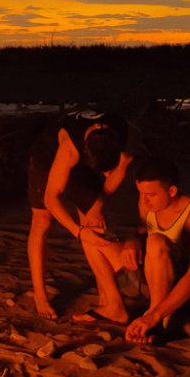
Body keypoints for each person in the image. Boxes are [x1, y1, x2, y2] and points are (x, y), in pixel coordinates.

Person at [72, 157, 190, 343]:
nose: (144, 200)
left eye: (151, 195)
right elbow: (142, 229)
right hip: (149, 276)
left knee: (155, 242)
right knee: (92, 236)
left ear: (172, 191)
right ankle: (114, 306)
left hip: (180, 294)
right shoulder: (149, 202)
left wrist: (152, 316)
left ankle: (157, 320)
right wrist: (133, 241)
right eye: (141, 193)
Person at [27, 110, 141, 319]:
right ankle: (40, 296)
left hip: (90, 158)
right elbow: (51, 198)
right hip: (47, 157)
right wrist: (78, 232)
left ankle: (109, 301)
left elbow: (118, 173)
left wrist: (96, 208)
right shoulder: (69, 150)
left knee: (95, 223)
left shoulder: (127, 134)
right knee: (42, 220)